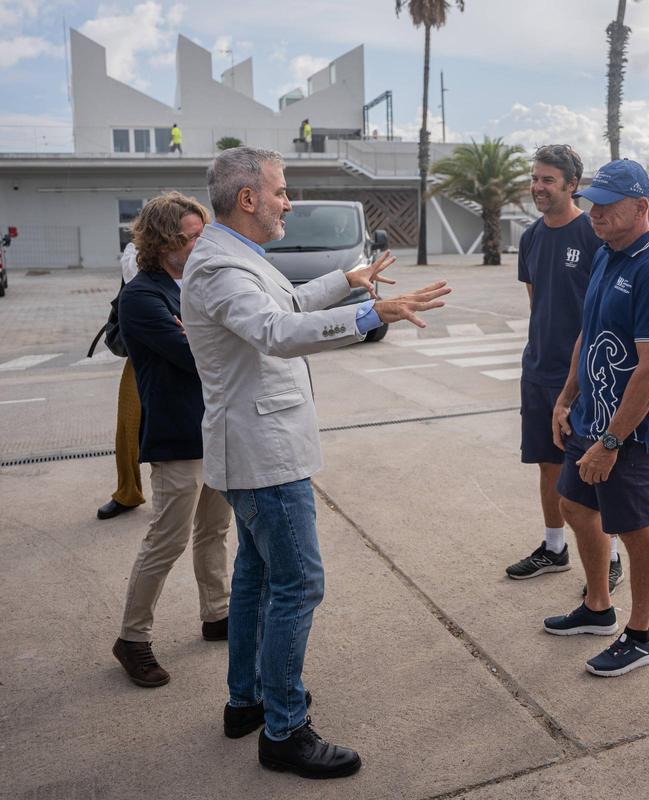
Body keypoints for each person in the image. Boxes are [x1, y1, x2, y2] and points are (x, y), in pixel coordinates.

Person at [181, 146, 451, 779]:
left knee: (254, 578)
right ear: (248, 198)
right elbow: (275, 332)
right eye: (280, 190)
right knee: (298, 584)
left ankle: (248, 699)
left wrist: (345, 283)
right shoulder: (220, 266)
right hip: (264, 456)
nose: (288, 201)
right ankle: (284, 728)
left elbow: (288, 305)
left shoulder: (233, 255)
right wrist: (369, 313)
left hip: (256, 448)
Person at [542, 159, 649, 677]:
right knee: (575, 505)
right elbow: (588, 332)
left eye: (607, 205)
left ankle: (641, 633)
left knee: (637, 528)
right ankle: (599, 608)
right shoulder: (608, 254)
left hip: (628, 432)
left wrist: (610, 441)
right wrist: (566, 397)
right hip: (590, 417)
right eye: (592, 203)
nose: (595, 213)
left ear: (641, 207)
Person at [111, 192, 232, 688]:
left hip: (216, 428)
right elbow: (200, 357)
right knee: (167, 540)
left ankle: (216, 614)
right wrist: (208, 337)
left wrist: (203, 334)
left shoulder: (193, 286)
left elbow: (215, 343)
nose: (203, 242)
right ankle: (132, 639)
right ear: (165, 239)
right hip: (178, 436)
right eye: (194, 235)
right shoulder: (142, 297)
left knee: (215, 531)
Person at [505, 145, 624, 594]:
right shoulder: (531, 237)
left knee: (593, 470)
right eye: (535, 178)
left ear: (572, 185)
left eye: (548, 180)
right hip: (538, 368)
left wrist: (583, 377)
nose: (538, 187)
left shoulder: (592, 234)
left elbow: (605, 309)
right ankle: (554, 548)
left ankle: (609, 554)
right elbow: (537, 301)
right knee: (546, 463)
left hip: (586, 377)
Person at [97, 242, 146, 520]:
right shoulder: (135, 254)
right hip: (142, 354)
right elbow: (133, 273)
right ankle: (128, 492)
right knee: (129, 423)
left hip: (189, 350)